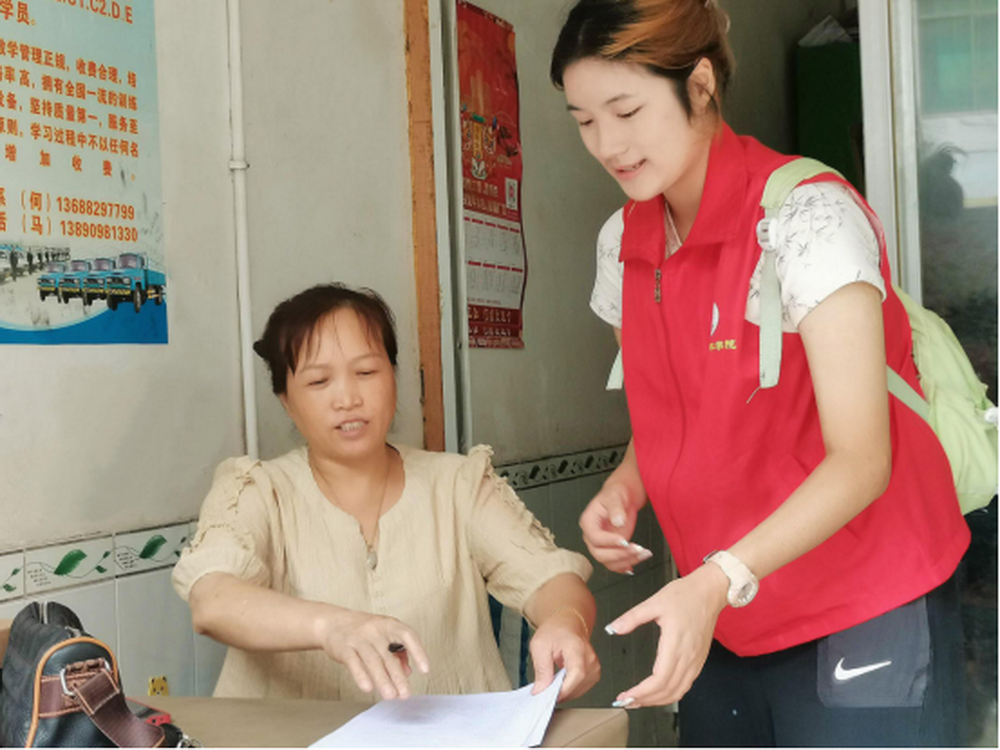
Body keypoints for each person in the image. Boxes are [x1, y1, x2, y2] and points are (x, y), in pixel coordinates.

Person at [550, 0, 971, 745]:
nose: (608, 144)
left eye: (627, 111)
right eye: (585, 121)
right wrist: (626, 485)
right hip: (727, 614)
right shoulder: (623, 242)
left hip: (862, 603)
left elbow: (862, 459)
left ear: (700, 84)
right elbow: (671, 412)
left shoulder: (807, 219)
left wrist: (716, 579)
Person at [172, 283, 600, 703]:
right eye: (319, 381)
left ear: (393, 377)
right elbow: (213, 601)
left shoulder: (459, 484)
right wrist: (331, 627)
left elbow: (549, 579)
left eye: (366, 372)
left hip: (449, 736)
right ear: (286, 399)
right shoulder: (257, 490)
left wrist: (567, 623)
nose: (347, 398)